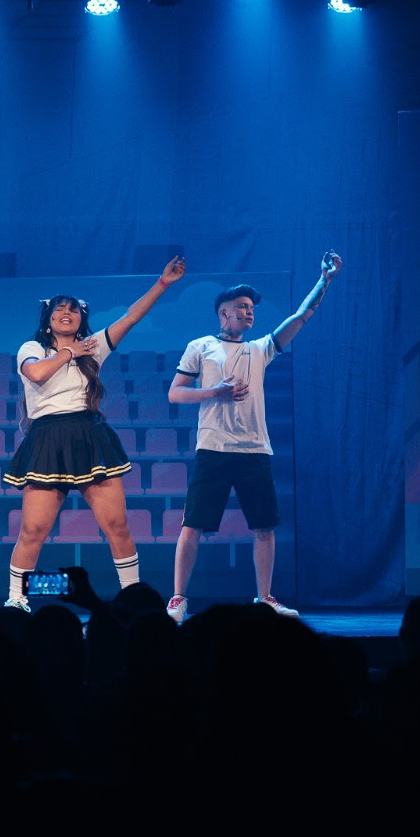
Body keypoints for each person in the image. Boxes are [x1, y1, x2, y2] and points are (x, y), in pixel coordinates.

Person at [164, 250, 343, 624]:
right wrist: (216, 393)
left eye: (252, 308)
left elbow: (300, 318)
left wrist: (324, 281)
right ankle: (178, 599)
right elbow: (175, 393)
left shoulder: (259, 349)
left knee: (264, 525)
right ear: (224, 313)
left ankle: (265, 598)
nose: (249, 312)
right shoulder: (201, 346)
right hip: (213, 448)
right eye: (242, 307)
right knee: (192, 524)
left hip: (255, 450)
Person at [0, 257, 186, 611]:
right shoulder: (33, 348)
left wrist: (162, 284)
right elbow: (37, 375)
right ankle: (17, 598)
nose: (67, 313)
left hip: (89, 436)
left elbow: (131, 317)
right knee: (32, 531)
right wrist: (69, 352)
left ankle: (132, 597)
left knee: (117, 525)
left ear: (82, 318)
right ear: (49, 318)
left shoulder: (94, 347)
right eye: (59, 309)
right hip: (47, 439)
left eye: (73, 309)